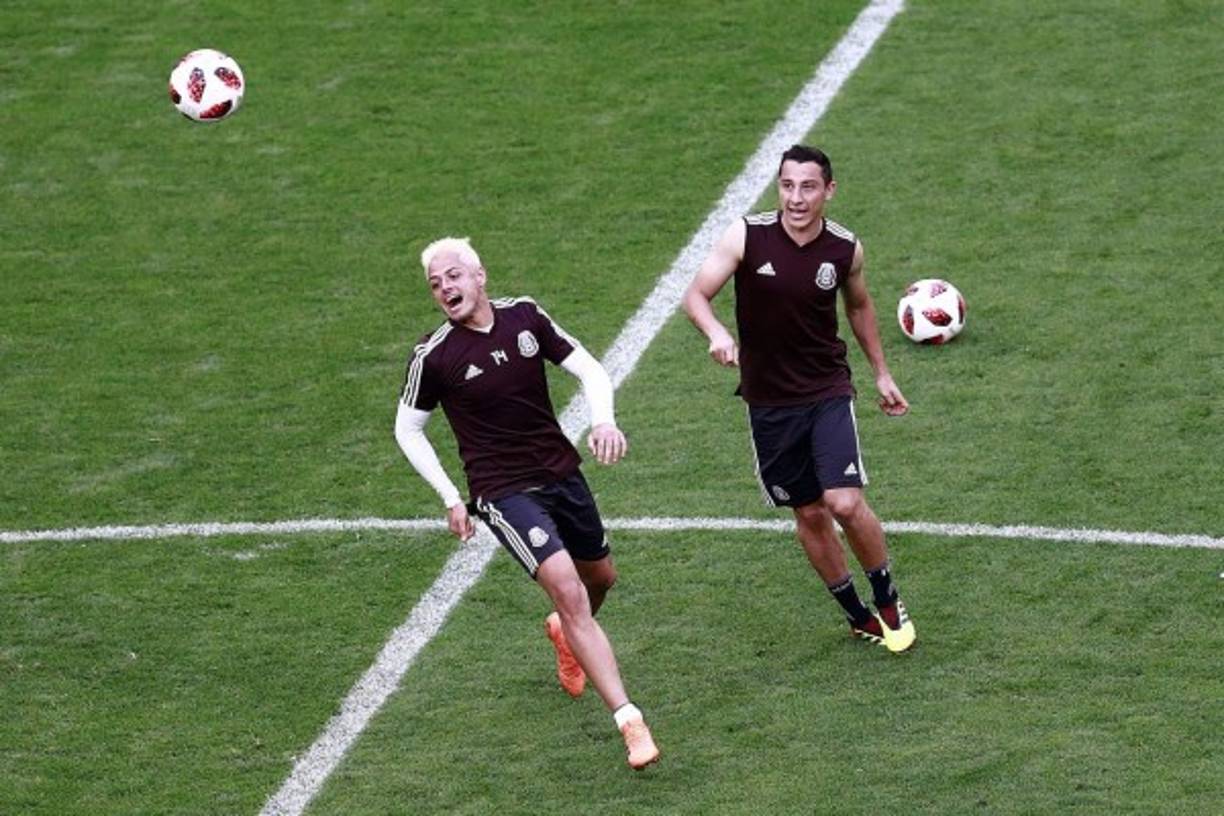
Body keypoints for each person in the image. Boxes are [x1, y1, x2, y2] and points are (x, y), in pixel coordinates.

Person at [394, 236, 660, 769]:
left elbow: (589, 368)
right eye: (435, 283)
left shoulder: (525, 317)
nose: (446, 287)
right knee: (569, 590)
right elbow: (408, 429)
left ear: (479, 276)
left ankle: (564, 632)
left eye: (453, 275)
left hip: (561, 473)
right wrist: (451, 497)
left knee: (600, 578)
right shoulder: (434, 356)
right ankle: (630, 722)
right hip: (502, 491)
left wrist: (603, 419)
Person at [682, 144, 917, 653]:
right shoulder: (747, 236)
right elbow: (695, 295)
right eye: (787, 185)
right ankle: (857, 614)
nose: (795, 197)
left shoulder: (844, 249)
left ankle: (887, 595)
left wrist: (881, 373)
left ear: (828, 190)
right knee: (809, 514)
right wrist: (716, 333)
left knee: (844, 502)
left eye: (808, 186)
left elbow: (858, 307)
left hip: (826, 389)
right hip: (768, 402)